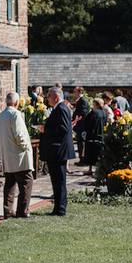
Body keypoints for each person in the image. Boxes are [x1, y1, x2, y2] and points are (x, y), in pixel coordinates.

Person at [0, 92, 34, 219]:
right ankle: (22, 210)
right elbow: (19, 135)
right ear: (17, 103)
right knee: (26, 183)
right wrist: (26, 147)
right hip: (19, 155)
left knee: (10, 184)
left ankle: (7, 210)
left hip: (7, 155)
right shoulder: (15, 114)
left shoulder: (0, 116)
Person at [42, 87, 76, 216]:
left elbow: (63, 128)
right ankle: (58, 207)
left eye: (49, 96)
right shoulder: (59, 108)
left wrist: (45, 129)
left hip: (59, 150)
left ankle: (60, 208)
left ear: (56, 97)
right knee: (57, 181)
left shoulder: (61, 108)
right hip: (57, 150)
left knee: (59, 180)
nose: (47, 98)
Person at [83, 97, 107, 175]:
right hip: (101, 134)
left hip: (92, 134)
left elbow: (87, 122)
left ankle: (90, 169)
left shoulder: (93, 112)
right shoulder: (104, 113)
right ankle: (98, 170)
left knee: (90, 152)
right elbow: (105, 123)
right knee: (99, 153)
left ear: (95, 104)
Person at [71, 87, 90, 166]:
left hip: (81, 126)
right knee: (79, 143)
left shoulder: (83, 101)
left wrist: (76, 121)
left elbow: (83, 114)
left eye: (75, 92)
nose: (74, 94)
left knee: (81, 143)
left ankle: (82, 160)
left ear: (79, 92)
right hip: (79, 125)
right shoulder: (80, 101)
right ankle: (81, 159)